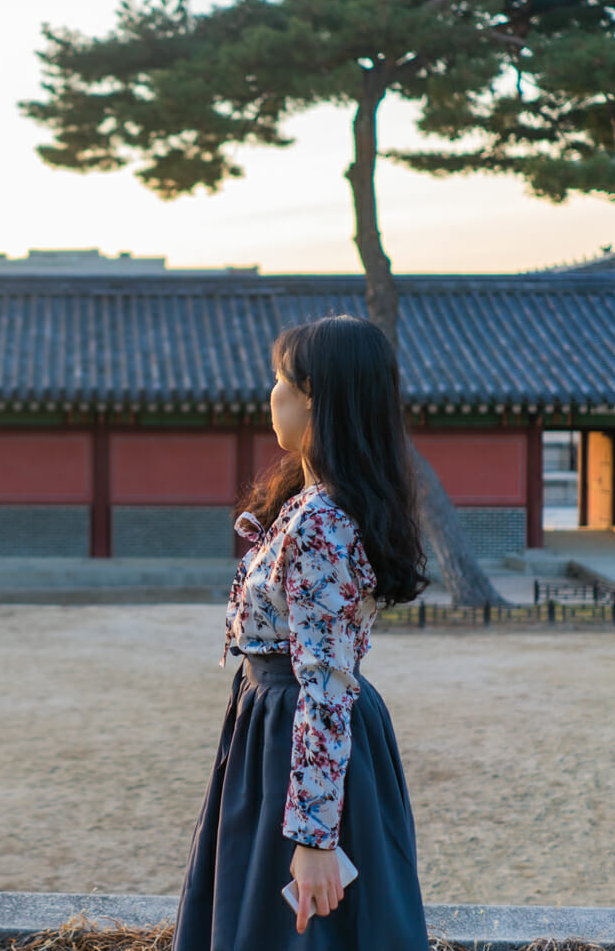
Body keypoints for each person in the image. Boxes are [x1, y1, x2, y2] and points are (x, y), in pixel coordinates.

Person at [172, 314, 431, 951]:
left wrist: (316, 838)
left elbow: (324, 678)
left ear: (314, 397)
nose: (271, 395)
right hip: (274, 728)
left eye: (279, 381)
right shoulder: (312, 499)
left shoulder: (323, 520)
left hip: (300, 730)